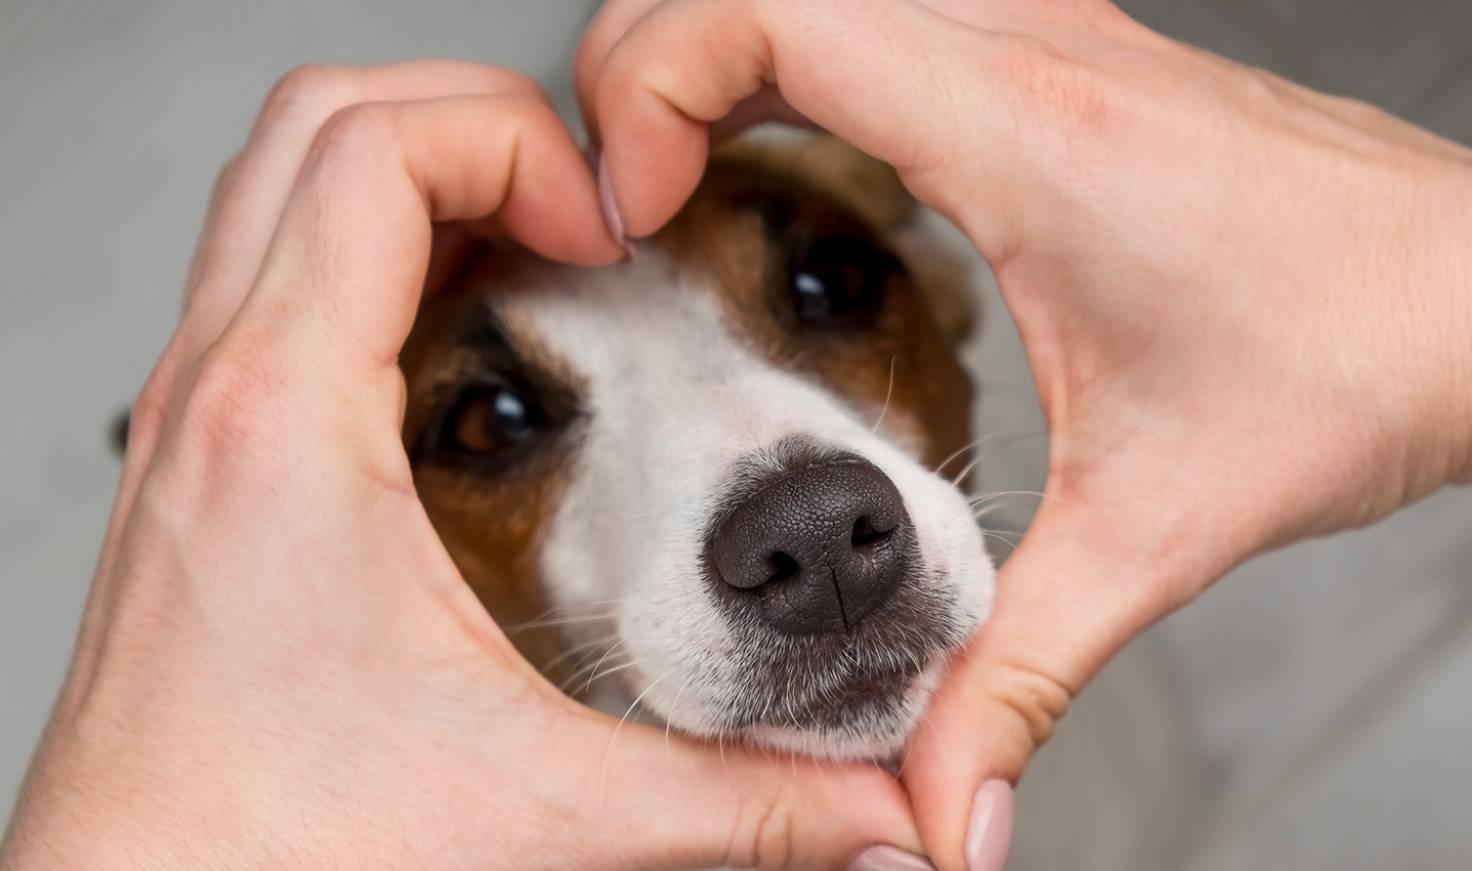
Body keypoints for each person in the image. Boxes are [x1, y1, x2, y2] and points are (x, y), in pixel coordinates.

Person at [3, 1, 1469, 870]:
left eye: (831, 285)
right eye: (492, 418)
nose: (802, 512)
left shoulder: (1106, 729)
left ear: (948, 308)